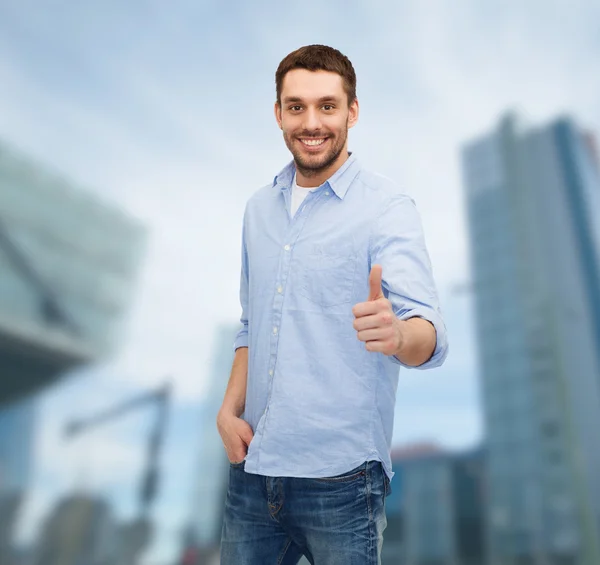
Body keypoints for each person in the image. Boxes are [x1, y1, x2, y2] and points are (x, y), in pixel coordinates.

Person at [216, 44, 449, 565]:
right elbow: (252, 324)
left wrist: (398, 335)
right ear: (278, 113)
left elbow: (429, 334)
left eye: (327, 105)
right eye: (296, 107)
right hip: (253, 472)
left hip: (342, 484)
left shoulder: (387, 208)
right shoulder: (259, 208)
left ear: (353, 111)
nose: (311, 122)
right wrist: (228, 411)